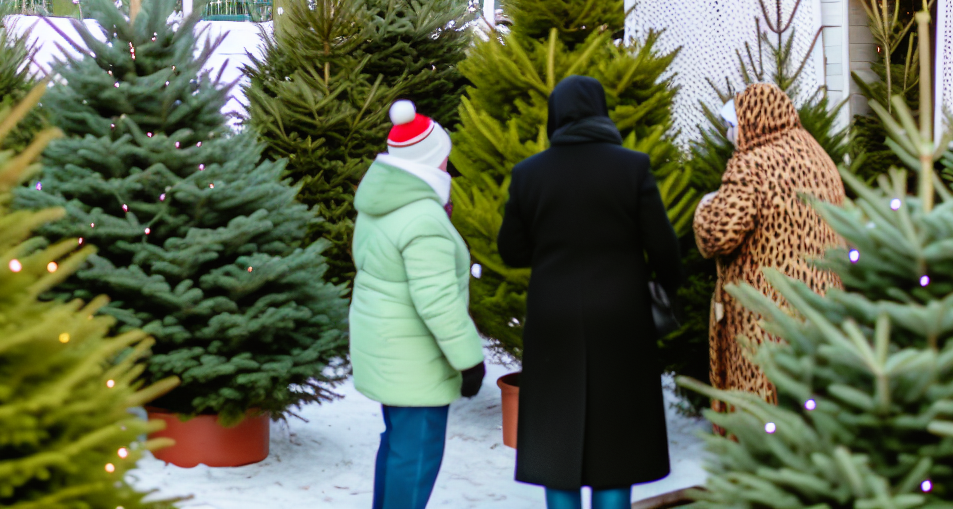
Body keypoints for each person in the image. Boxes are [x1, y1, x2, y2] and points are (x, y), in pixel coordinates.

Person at [497, 75, 683, 509]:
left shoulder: (528, 174)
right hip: (622, 320)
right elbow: (664, 247)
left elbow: (511, 250)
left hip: (553, 321)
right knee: (617, 444)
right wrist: (662, 290)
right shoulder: (631, 166)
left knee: (555, 441)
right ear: (602, 111)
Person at [349, 99, 486, 509]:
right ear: (432, 161)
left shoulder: (379, 202)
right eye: (443, 157)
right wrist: (469, 360)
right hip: (416, 359)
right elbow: (437, 300)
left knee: (397, 448)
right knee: (417, 455)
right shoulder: (423, 217)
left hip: (386, 348)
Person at [694, 82, 844, 410]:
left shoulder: (752, 164)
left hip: (767, 309)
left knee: (763, 404)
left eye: (731, 125)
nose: (729, 135)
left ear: (750, 120)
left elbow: (717, 234)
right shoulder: (815, 153)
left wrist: (706, 206)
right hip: (821, 303)